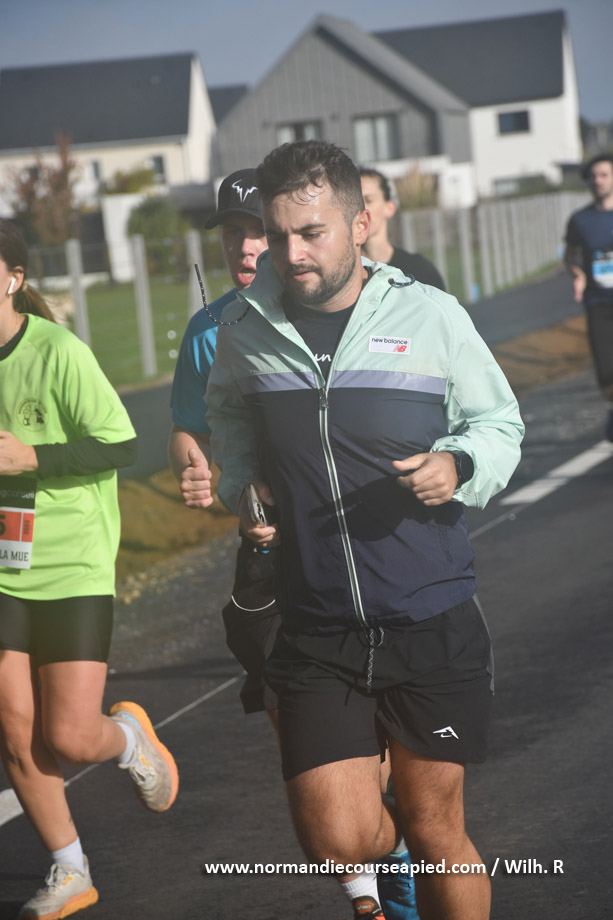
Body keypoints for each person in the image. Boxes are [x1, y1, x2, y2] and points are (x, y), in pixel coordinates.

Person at [205, 140, 524, 920]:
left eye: (310, 233)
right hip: (315, 626)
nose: (290, 253)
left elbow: (498, 423)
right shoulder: (244, 328)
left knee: (435, 825)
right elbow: (228, 424)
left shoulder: (428, 313)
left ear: (359, 223)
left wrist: (457, 462)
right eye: (278, 235)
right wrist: (240, 485)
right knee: (337, 843)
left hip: (428, 614)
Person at [0, 220, 178, 920]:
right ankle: (70, 868)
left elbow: (121, 444)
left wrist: (32, 458)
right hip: (1, 568)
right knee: (15, 727)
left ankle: (129, 739)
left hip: (70, 561)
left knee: (70, 737)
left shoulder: (58, 352)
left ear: (13, 278)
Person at [168, 169, 280, 725]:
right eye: (232, 232)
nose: (243, 245)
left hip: (344, 531)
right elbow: (189, 429)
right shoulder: (205, 330)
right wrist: (190, 464)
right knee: (286, 703)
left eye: (256, 229)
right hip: (263, 538)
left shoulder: (324, 312)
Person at [563, 152, 613, 440]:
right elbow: (570, 255)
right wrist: (578, 274)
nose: (598, 181)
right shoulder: (580, 220)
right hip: (599, 303)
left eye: (604, 175)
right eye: (593, 176)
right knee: (606, 371)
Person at [359, 167, 446, 290]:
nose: (362, 209)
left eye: (369, 200)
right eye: (357, 201)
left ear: (390, 208)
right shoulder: (344, 276)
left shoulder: (421, 272)